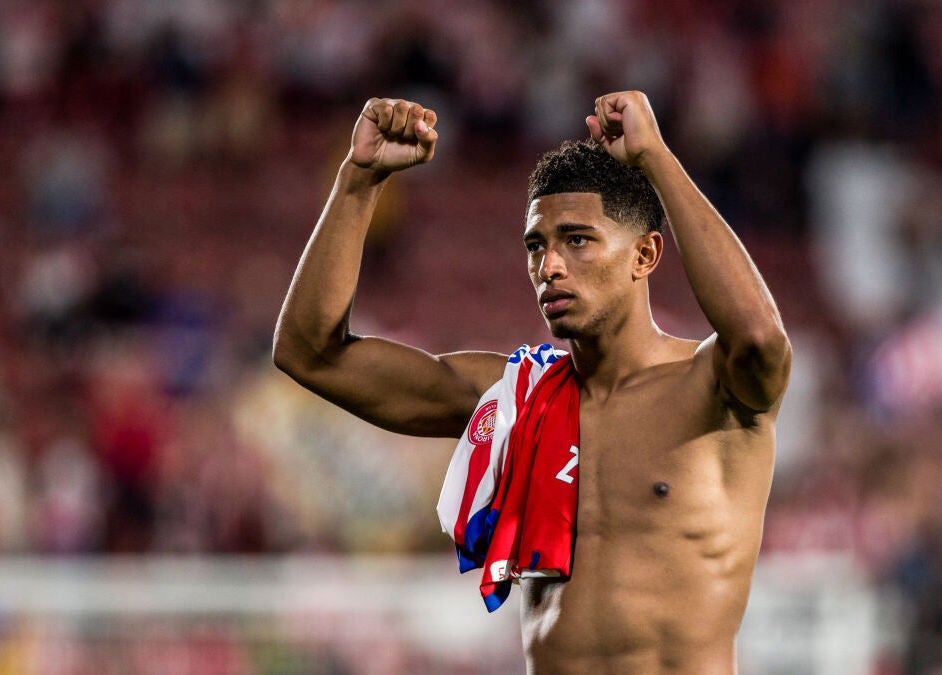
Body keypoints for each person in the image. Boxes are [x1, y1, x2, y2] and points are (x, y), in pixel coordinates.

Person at [273, 91, 791, 673]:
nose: (550, 267)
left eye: (578, 240)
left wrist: (657, 159)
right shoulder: (517, 397)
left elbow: (759, 338)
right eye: (536, 246)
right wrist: (358, 179)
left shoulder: (714, 390)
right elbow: (309, 354)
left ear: (645, 255)